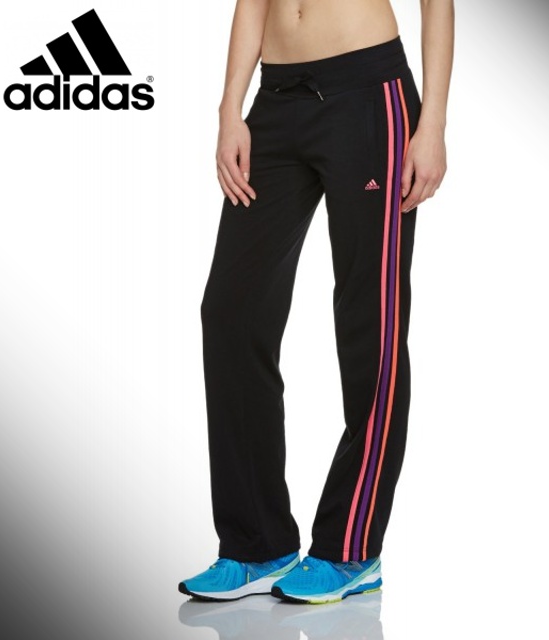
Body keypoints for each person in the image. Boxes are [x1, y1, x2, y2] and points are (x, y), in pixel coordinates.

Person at [179, 0, 454, 604]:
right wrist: (230, 109)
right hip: (277, 100)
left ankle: (351, 546)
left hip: (368, 94)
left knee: (369, 321)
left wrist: (431, 123)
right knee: (231, 313)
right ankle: (257, 544)